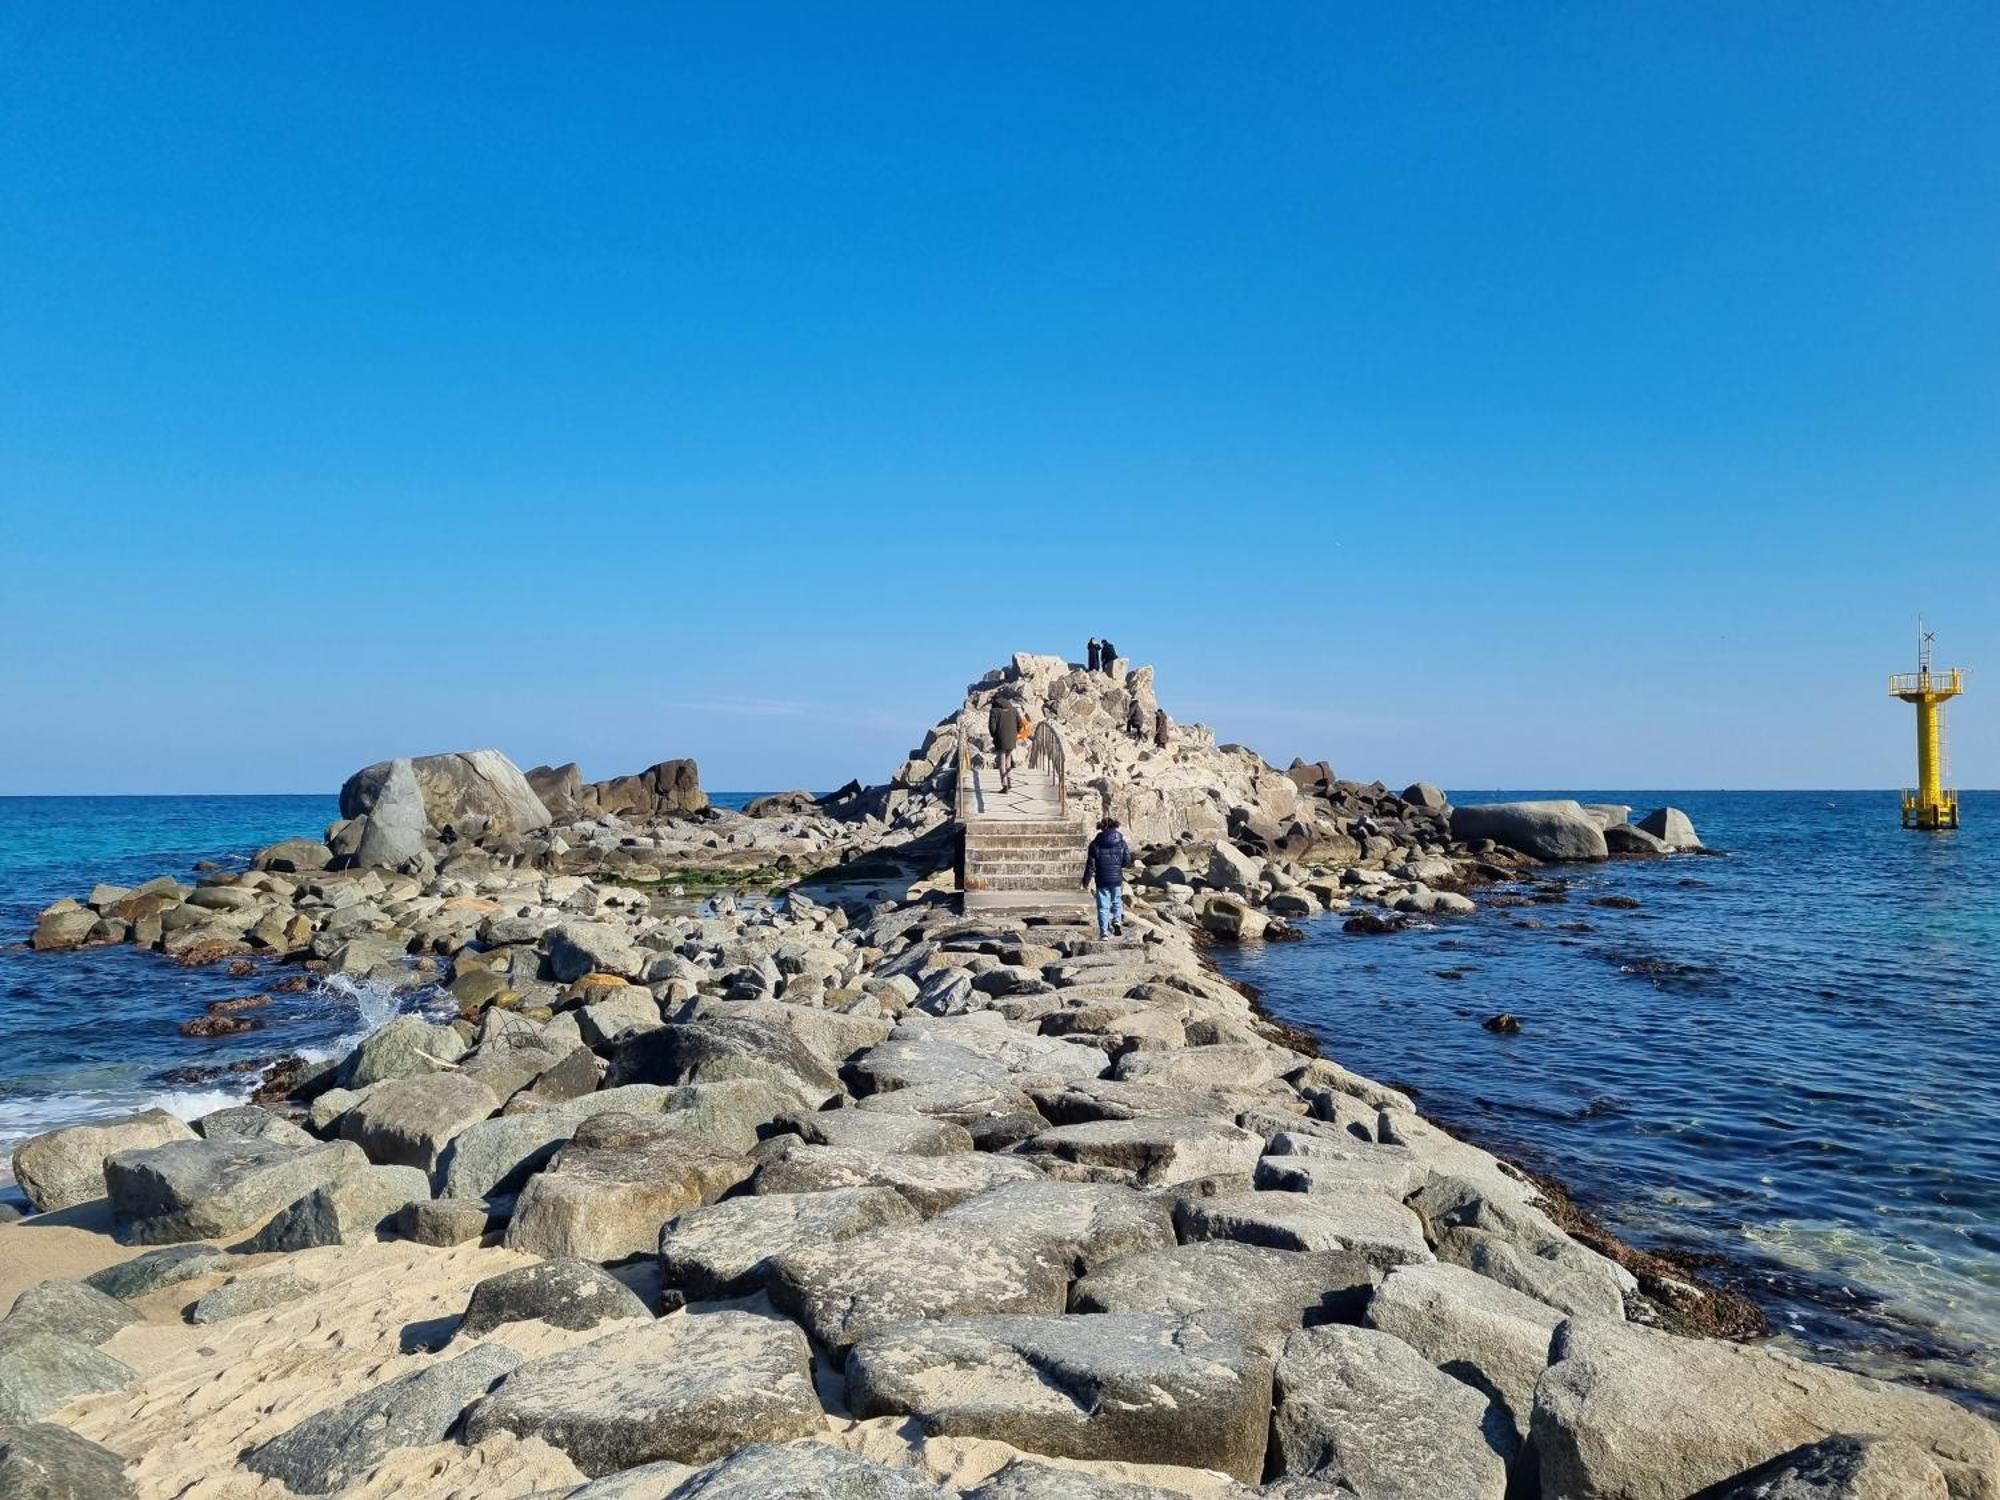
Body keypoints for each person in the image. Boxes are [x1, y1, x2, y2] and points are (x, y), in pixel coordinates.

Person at [1081, 816, 1133, 938]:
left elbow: (1090, 865)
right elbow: (1126, 861)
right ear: (1115, 826)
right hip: (1116, 878)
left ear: (1101, 828)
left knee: (1103, 907)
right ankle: (1117, 920)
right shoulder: (1121, 842)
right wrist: (1117, 865)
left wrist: (1085, 881)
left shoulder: (1095, 844)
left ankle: (1104, 933)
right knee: (1116, 901)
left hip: (1101, 879)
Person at [988, 692, 1025, 794]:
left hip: (1000, 740)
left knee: (1002, 762)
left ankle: (1004, 785)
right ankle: (1009, 781)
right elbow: (1020, 724)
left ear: (994, 701)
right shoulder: (1013, 709)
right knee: (1008, 760)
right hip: (1012, 739)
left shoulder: (994, 711)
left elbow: (992, 728)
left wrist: (995, 736)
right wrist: (1015, 733)